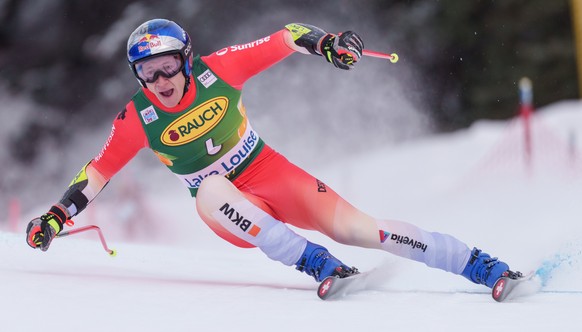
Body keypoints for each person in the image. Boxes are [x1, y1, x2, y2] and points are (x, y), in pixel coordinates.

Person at [26, 19, 521, 291]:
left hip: (267, 169)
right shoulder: (137, 118)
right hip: (227, 207)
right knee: (211, 188)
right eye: (148, 73)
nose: (162, 82)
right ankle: (314, 262)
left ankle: (478, 264)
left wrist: (326, 44)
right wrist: (55, 215)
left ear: (186, 60)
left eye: (168, 67)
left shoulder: (218, 73)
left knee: (360, 228)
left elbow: (285, 36)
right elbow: (97, 172)